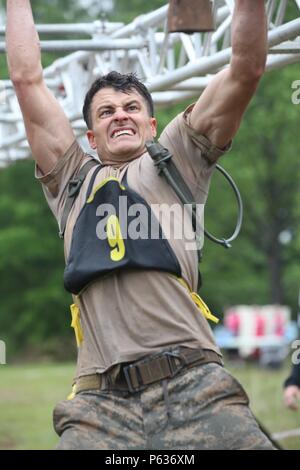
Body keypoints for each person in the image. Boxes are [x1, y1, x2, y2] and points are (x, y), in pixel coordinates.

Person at [6, 0, 275, 450]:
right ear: (90, 138)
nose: (120, 115)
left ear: (151, 125)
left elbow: (245, 69)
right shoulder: (72, 179)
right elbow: (26, 79)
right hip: (99, 404)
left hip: (196, 385)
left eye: (131, 107)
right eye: (106, 111)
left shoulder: (178, 158)